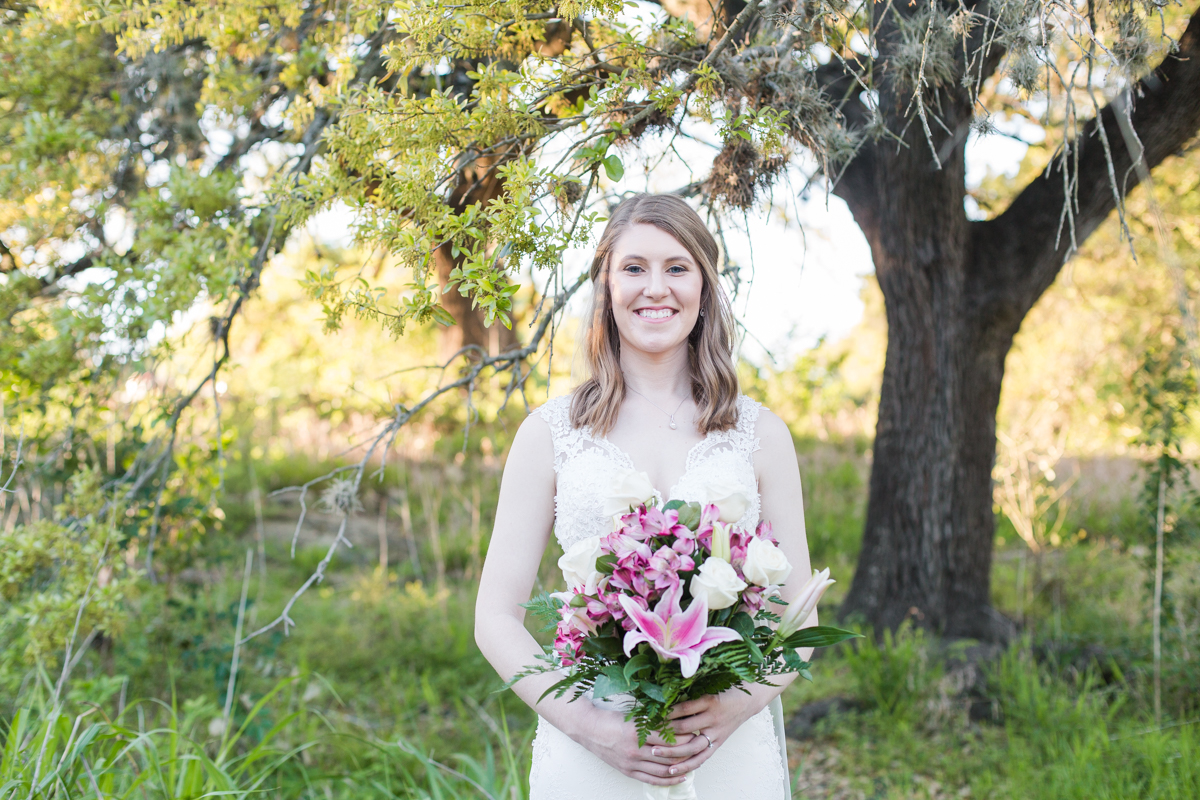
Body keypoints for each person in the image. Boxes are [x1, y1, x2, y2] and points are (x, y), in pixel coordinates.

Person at [475, 194, 815, 799]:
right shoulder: (549, 435)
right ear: (606, 285)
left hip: (726, 749)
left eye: (677, 268)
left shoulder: (761, 435)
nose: (655, 288)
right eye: (634, 268)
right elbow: (495, 617)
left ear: (705, 289)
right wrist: (587, 727)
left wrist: (735, 708)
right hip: (591, 737)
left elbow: (799, 613)